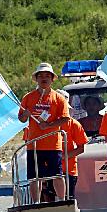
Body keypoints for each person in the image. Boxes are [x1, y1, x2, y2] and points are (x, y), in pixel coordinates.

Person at [18, 62, 70, 203]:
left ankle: (62, 200)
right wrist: (26, 114)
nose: (44, 78)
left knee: (57, 175)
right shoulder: (28, 97)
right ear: (37, 79)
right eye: (41, 76)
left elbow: (65, 118)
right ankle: (36, 203)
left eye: (47, 75)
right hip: (34, 145)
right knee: (35, 177)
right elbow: (21, 119)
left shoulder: (59, 98)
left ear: (52, 79)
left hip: (53, 144)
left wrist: (49, 125)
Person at [57, 90, 89, 198]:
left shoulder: (74, 124)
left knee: (69, 197)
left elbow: (81, 148)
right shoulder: (47, 124)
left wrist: (63, 157)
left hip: (69, 170)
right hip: (50, 170)